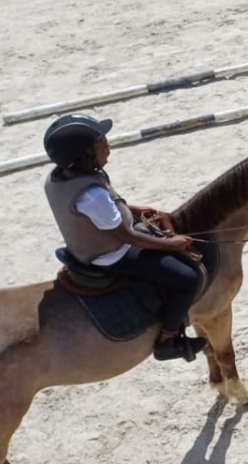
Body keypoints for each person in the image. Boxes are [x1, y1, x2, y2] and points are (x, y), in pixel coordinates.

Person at [42, 113, 208, 361]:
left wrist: (134, 209)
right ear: (84, 154)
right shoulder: (91, 195)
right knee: (188, 278)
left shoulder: (59, 179)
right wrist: (170, 243)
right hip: (111, 255)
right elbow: (127, 236)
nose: (108, 147)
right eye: (101, 144)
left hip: (85, 243)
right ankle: (169, 339)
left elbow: (105, 210)